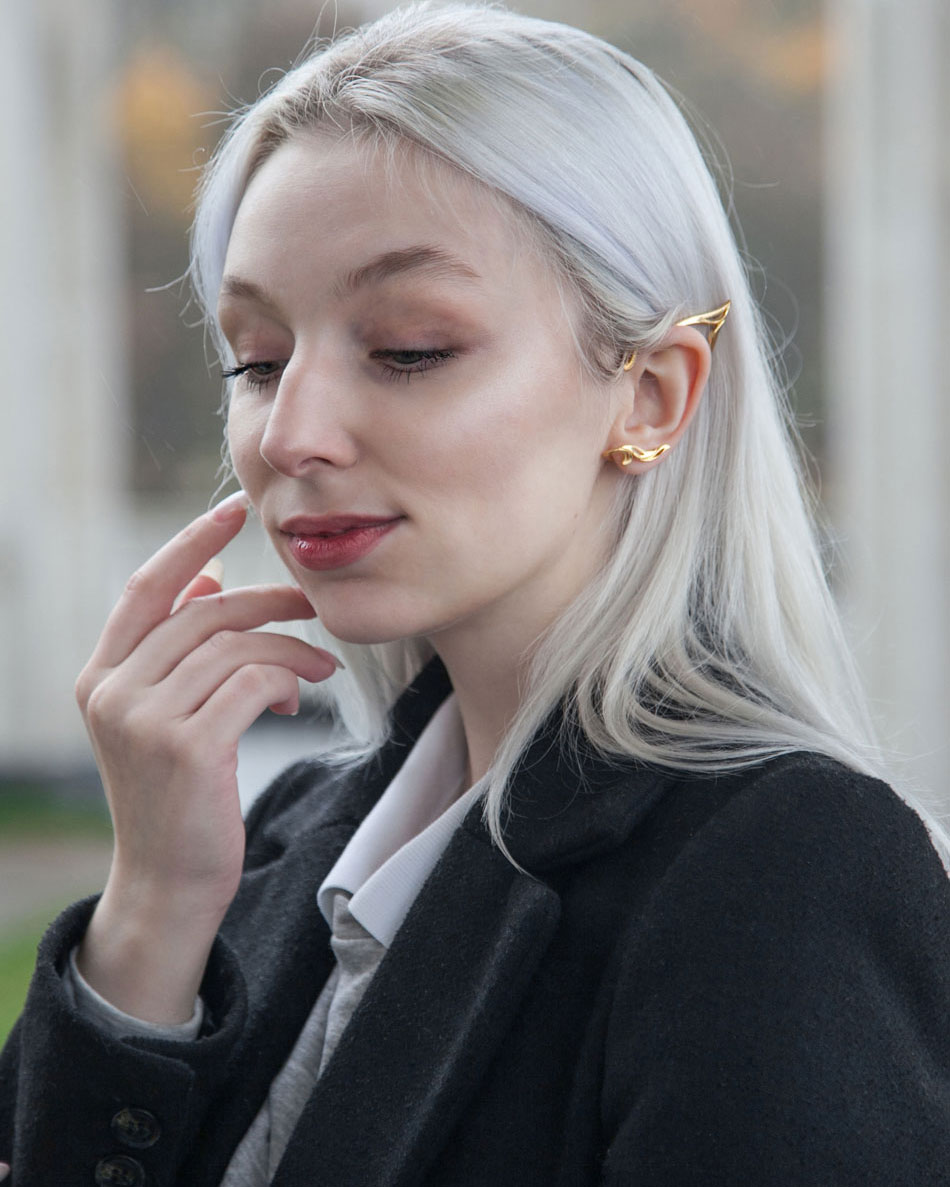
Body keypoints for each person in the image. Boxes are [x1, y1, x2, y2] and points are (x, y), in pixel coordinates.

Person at [2, 4, 949, 1183]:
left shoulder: (781, 869)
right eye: (255, 358)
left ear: (649, 395)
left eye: (405, 348)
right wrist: (151, 909)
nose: (289, 432)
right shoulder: (285, 839)